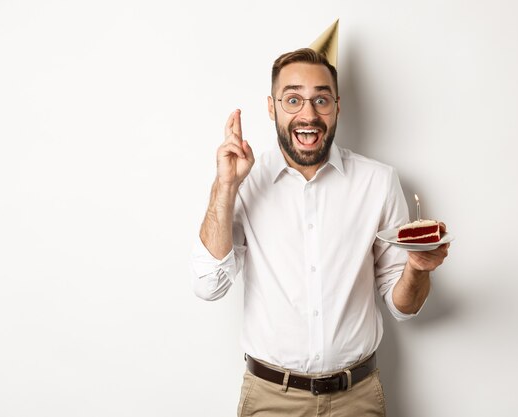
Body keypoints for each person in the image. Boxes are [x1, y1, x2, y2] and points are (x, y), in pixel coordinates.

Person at [190, 46, 450, 416]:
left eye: (321, 100)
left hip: (356, 399)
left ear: (337, 106)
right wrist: (226, 185)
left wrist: (417, 269)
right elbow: (207, 286)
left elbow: (402, 306)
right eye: (293, 99)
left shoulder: (378, 182)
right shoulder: (244, 184)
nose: (308, 114)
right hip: (270, 400)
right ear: (271, 107)